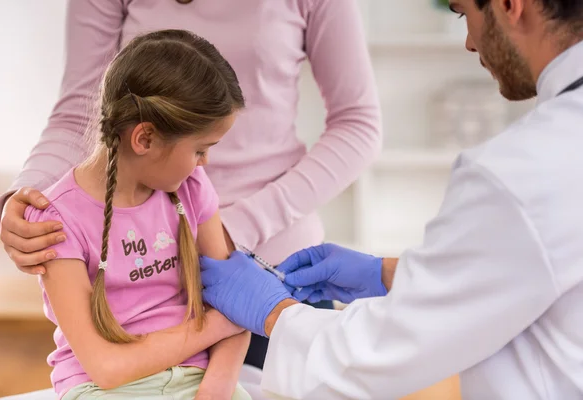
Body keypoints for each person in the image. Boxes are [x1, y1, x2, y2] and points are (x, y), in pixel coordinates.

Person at [198, 0, 583, 398]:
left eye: (463, 12)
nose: (469, 42)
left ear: (509, 5)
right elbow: (538, 269)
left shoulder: (517, 175)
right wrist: (388, 275)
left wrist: (272, 310)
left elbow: (381, 355)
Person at [0, 0, 381, 369]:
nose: (203, 166)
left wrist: (231, 229)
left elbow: (358, 125)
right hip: (143, 277)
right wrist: (26, 200)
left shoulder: (200, 191)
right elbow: (83, 110)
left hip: (267, 265)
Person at [24, 29, 254, 399]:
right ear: (144, 139)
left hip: (197, 378)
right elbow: (107, 368)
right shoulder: (56, 220)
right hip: (98, 387)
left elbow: (238, 300)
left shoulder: (192, 188)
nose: (205, 162)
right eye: (200, 149)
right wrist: (218, 323)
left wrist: (218, 385)